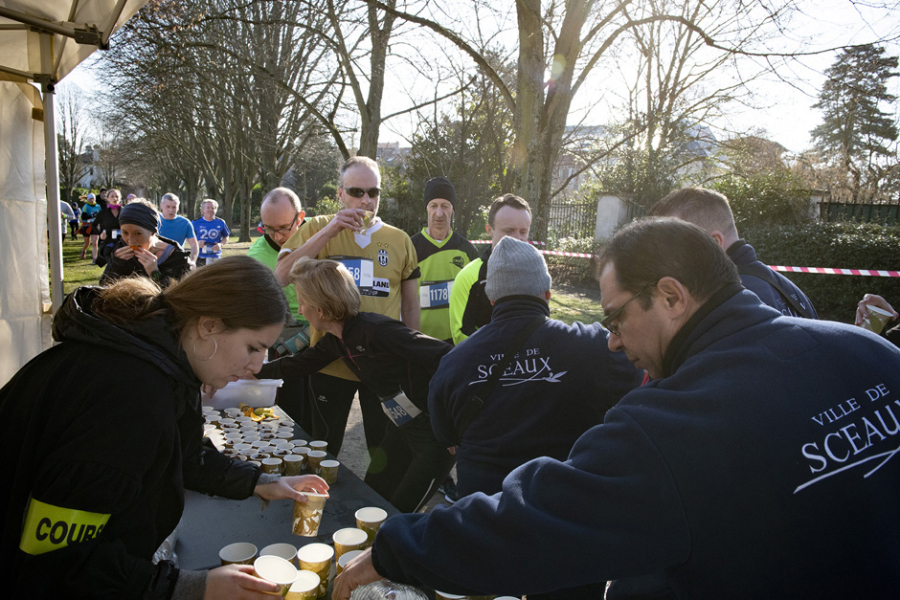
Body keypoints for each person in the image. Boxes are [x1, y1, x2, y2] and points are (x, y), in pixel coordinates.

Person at [334, 218, 900, 599]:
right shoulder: (871, 352)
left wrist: (397, 549)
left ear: (672, 297)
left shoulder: (672, 426)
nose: (610, 341)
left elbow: (534, 518)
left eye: (615, 318)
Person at [1, 256, 330, 599]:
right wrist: (188, 587)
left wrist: (262, 483)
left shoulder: (162, 359)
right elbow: (56, 561)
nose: (257, 365)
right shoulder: (127, 395)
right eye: (253, 348)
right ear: (209, 326)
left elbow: (182, 453)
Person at [255, 257, 453, 512]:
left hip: (435, 438)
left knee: (401, 513)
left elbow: (448, 358)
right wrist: (246, 371)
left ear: (321, 309)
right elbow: (297, 364)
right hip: (401, 430)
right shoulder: (337, 340)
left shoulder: (377, 330)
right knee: (370, 499)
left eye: (303, 303)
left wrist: (452, 422)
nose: (300, 310)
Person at [274, 156, 420, 458]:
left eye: (373, 192)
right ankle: (316, 500)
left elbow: (410, 305)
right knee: (322, 448)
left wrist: (410, 355)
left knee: (385, 451)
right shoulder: (316, 227)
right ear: (340, 193)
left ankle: (381, 504)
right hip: (329, 362)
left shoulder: (400, 239)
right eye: (356, 192)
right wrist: (330, 231)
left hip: (382, 364)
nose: (365, 200)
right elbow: (281, 276)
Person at [650, 186, 818, 318]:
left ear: (713, 243)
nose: (663, 259)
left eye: (671, 246)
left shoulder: (726, 300)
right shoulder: (791, 292)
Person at [248, 187, 310, 428]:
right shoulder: (256, 256)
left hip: (321, 335)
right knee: (289, 411)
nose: (276, 236)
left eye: (284, 227)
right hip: (282, 341)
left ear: (300, 218)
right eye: (268, 228)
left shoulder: (319, 237)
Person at [448, 194, 531, 344]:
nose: (518, 238)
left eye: (523, 232)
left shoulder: (534, 276)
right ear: (489, 230)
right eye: (509, 231)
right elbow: (460, 335)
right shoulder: (469, 277)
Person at [410, 177, 479, 344]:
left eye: (445, 206)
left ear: (452, 209)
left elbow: (478, 301)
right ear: (426, 208)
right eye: (434, 206)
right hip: (421, 345)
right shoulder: (410, 248)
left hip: (459, 346)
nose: (439, 213)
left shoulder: (467, 251)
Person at [98, 199, 193, 288]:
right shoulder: (120, 250)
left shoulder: (178, 257)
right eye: (125, 233)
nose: (130, 240)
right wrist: (116, 265)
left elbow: (183, 296)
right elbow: (104, 288)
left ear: (153, 232)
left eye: (138, 233)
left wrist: (155, 273)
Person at [158, 192, 199, 262]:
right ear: (161, 205)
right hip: (156, 261)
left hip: (177, 260)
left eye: (174, 207)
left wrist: (193, 261)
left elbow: (194, 244)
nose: (171, 210)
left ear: (178, 207)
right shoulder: (153, 220)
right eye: (168, 206)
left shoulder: (185, 223)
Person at [192, 199, 230, 266]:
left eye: (213, 208)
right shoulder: (195, 222)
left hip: (215, 256)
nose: (210, 210)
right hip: (200, 255)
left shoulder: (221, 222)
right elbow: (188, 237)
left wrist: (220, 244)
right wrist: (196, 243)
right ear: (203, 210)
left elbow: (226, 236)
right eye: (208, 208)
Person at [91, 188, 123, 265]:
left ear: (120, 198)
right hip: (109, 241)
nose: (115, 198)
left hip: (123, 241)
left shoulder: (124, 211)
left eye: (117, 196)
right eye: (112, 196)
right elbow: (94, 225)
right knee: (111, 262)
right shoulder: (103, 213)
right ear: (107, 198)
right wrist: (100, 234)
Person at [79, 192, 101, 259]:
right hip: (87, 226)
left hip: (95, 226)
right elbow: (83, 217)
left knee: (95, 242)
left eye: (93, 199)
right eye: (90, 199)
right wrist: (92, 216)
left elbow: (101, 215)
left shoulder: (98, 206)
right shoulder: (86, 207)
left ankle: (94, 258)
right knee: (87, 243)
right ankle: (83, 250)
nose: (92, 200)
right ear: (88, 199)